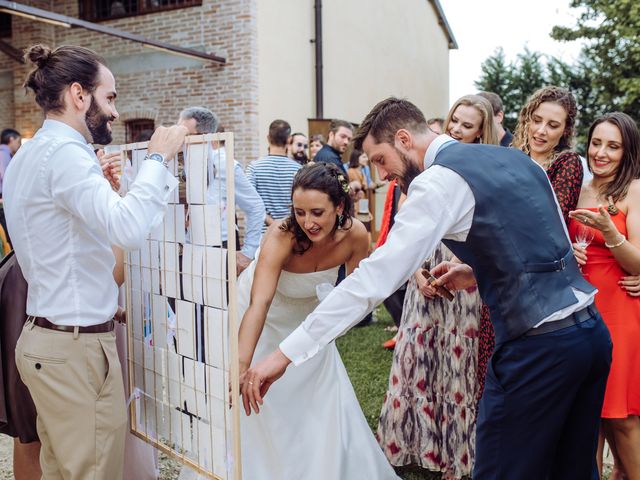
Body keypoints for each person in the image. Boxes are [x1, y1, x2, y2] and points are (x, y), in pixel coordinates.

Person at [242, 97, 611, 480]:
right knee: (573, 470)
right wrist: (476, 270)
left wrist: (285, 354)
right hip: (590, 338)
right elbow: (548, 245)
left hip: (538, 348)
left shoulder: (438, 182)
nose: (384, 175)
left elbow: (374, 279)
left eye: (381, 160)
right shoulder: (517, 161)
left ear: (404, 139)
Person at [3, 44, 187, 480]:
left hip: (55, 339)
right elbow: (125, 228)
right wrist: (158, 160)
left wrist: (104, 299)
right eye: (111, 97)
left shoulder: (31, 153)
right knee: (93, 472)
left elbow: (67, 249)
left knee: (64, 470)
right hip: (74, 349)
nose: (115, 112)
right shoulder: (65, 155)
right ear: (78, 95)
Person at [237, 162, 398, 480]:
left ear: (339, 206)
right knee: (259, 401)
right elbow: (260, 303)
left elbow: (354, 298)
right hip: (260, 319)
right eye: (299, 211)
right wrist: (240, 364)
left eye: (316, 212)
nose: (307, 222)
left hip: (307, 323)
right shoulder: (282, 235)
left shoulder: (356, 236)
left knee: (320, 398)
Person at [377, 95, 498, 478]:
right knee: (415, 355)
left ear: (481, 131)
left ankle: (455, 457)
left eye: (467, 124)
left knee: (454, 365)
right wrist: (415, 274)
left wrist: (464, 270)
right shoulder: (419, 172)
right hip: (422, 270)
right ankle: (411, 445)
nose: (458, 129)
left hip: (462, 273)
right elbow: (402, 230)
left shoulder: (480, 171)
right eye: (454, 121)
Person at [475, 86, 585, 408]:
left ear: (566, 129)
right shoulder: (508, 156)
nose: (541, 130)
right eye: (537, 120)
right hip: (497, 280)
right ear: (527, 117)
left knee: (526, 387)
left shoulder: (566, 164)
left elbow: (547, 220)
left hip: (538, 292)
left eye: (553, 125)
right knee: (490, 379)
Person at [569, 112, 640, 480]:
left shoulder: (634, 189)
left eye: (613, 146)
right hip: (577, 310)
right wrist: (570, 252)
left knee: (622, 417)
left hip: (619, 309)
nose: (601, 153)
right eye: (597, 143)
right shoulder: (577, 186)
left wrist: (610, 232)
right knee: (587, 419)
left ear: (626, 151)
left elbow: (639, 264)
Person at [178, 106, 266, 275]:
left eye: (185, 136)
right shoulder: (186, 163)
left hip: (221, 245)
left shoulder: (227, 164)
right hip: (191, 246)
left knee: (220, 300)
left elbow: (255, 206)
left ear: (205, 136)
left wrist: (248, 252)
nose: (181, 142)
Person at [247, 119, 301, 229]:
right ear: (289, 139)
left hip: (261, 235)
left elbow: (249, 203)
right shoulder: (299, 170)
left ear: (268, 138)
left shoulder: (254, 168)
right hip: (289, 232)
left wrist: (272, 223)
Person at [0, 128, 21, 246]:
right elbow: (6, 177)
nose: (18, 145)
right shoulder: (3, 154)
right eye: (18, 142)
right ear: (11, 139)